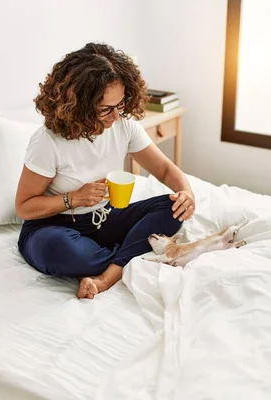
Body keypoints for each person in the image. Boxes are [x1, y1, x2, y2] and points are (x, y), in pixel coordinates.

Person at [15, 42, 195, 299]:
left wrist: (186, 192)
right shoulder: (48, 141)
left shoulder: (124, 126)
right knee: (62, 250)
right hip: (53, 227)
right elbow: (24, 206)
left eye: (119, 105)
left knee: (172, 208)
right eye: (104, 110)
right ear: (79, 106)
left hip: (105, 219)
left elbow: (165, 169)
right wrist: (74, 198)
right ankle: (131, 251)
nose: (115, 116)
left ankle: (108, 274)